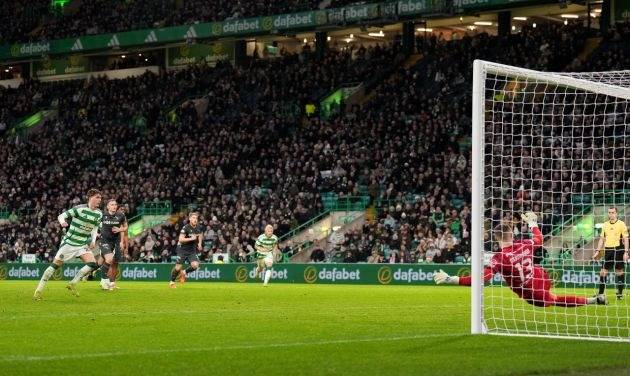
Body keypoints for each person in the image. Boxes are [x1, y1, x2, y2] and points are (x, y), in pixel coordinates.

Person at [434, 212, 607, 307]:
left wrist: (452, 279)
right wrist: (533, 223)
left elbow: (481, 279)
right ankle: (595, 299)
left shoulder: (499, 258)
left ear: (496, 238)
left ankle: (593, 301)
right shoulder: (524, 244)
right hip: (541, 277)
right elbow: (539, 239)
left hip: (532, 293)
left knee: (555, 300)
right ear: (511, 233)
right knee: (547, 286)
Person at [33, 189, 103, 300]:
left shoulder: (99, 214)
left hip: (82, 244)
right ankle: (38, 291)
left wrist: (93, 240)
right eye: (97, 197)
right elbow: (61, 216)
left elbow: (95, 227)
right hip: (69, 243)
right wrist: (62, 222)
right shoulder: (79, 209)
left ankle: (73, 283)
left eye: (100, 198)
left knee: (93, 264)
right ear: (90, 198)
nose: (100, 200)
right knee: (54, 267)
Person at [593, 207, 629, 300]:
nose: (611, 214)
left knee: (619, 272)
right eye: (609, 212)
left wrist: (626, 252)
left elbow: (626, 238)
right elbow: (602, 239)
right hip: (608, 250)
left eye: (613, 212)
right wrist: (597, 251)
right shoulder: (605, 225)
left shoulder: (621, 224)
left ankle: (620, 294)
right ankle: (601, 294)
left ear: (616, 213)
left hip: (618, 250)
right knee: (603, 272)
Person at [97, 199, 128, 290]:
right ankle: (103, 281)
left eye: (115, 204)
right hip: (105, 241)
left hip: (116, 242)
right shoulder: (102, 215)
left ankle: (111, 283)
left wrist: (119, 230)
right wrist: (97, 234)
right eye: (112, 204)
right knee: (108, 259)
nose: (114, 206)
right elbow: (95, 225)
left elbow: (126, 227)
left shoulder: (121, 215)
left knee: (115, 263)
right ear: (107, 206)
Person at [169, 212, 203, 288]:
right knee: (177, 268)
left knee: (195, 265)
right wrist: (191, 238)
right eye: (193, 218)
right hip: (182, 249)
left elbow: (200, 234)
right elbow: (180, 239)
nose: (195, 220)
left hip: (192, 250)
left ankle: (184, 272)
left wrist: (200, 243)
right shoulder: (186, 228)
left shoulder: (198, 227)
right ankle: (172, 282)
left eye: (196, 218)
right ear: (190, 219)